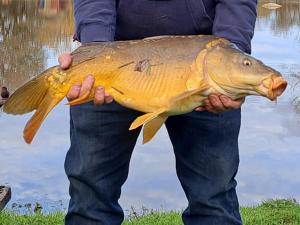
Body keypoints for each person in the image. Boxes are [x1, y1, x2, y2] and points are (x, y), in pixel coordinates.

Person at [60, 1, 257, 225]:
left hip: (204, 67)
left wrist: (230, 52)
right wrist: (95, 48)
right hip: (114, 61)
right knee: (90, 204)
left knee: (214, 205)